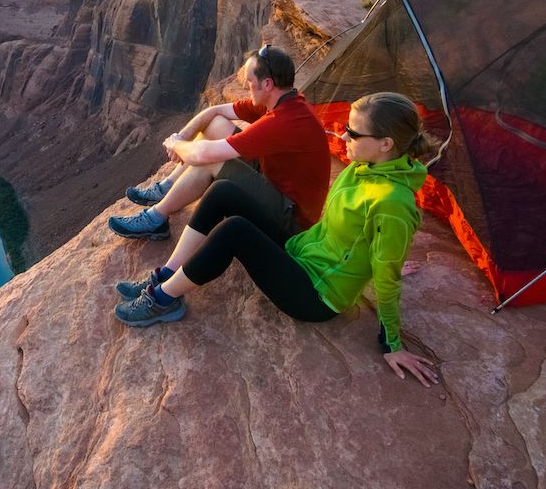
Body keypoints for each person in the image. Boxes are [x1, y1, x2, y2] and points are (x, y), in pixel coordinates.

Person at [113, 91, 439, 386]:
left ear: (386, 144)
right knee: (224, 190)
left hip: (315, 294)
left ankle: (163, 300)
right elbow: (368, 240)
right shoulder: (364, 167)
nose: (344, 135)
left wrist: (392, 344)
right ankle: (169, 274)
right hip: (302, 251)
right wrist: (381, 253)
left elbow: (387, 276)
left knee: (234, 231)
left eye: (353, 132)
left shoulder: (392, 203)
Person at [107, 44, 329, 242]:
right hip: (274, 182)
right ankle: (167, 187)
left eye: (249, 81)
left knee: (210, 160)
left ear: (267, 84)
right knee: (215, 125)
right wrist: (184, 135)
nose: (245, 85)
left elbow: (203, 155)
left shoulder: (283, 121)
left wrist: (176, 144)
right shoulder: (281, 99)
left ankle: (156, 218)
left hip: (290, 219)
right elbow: (214, 112)